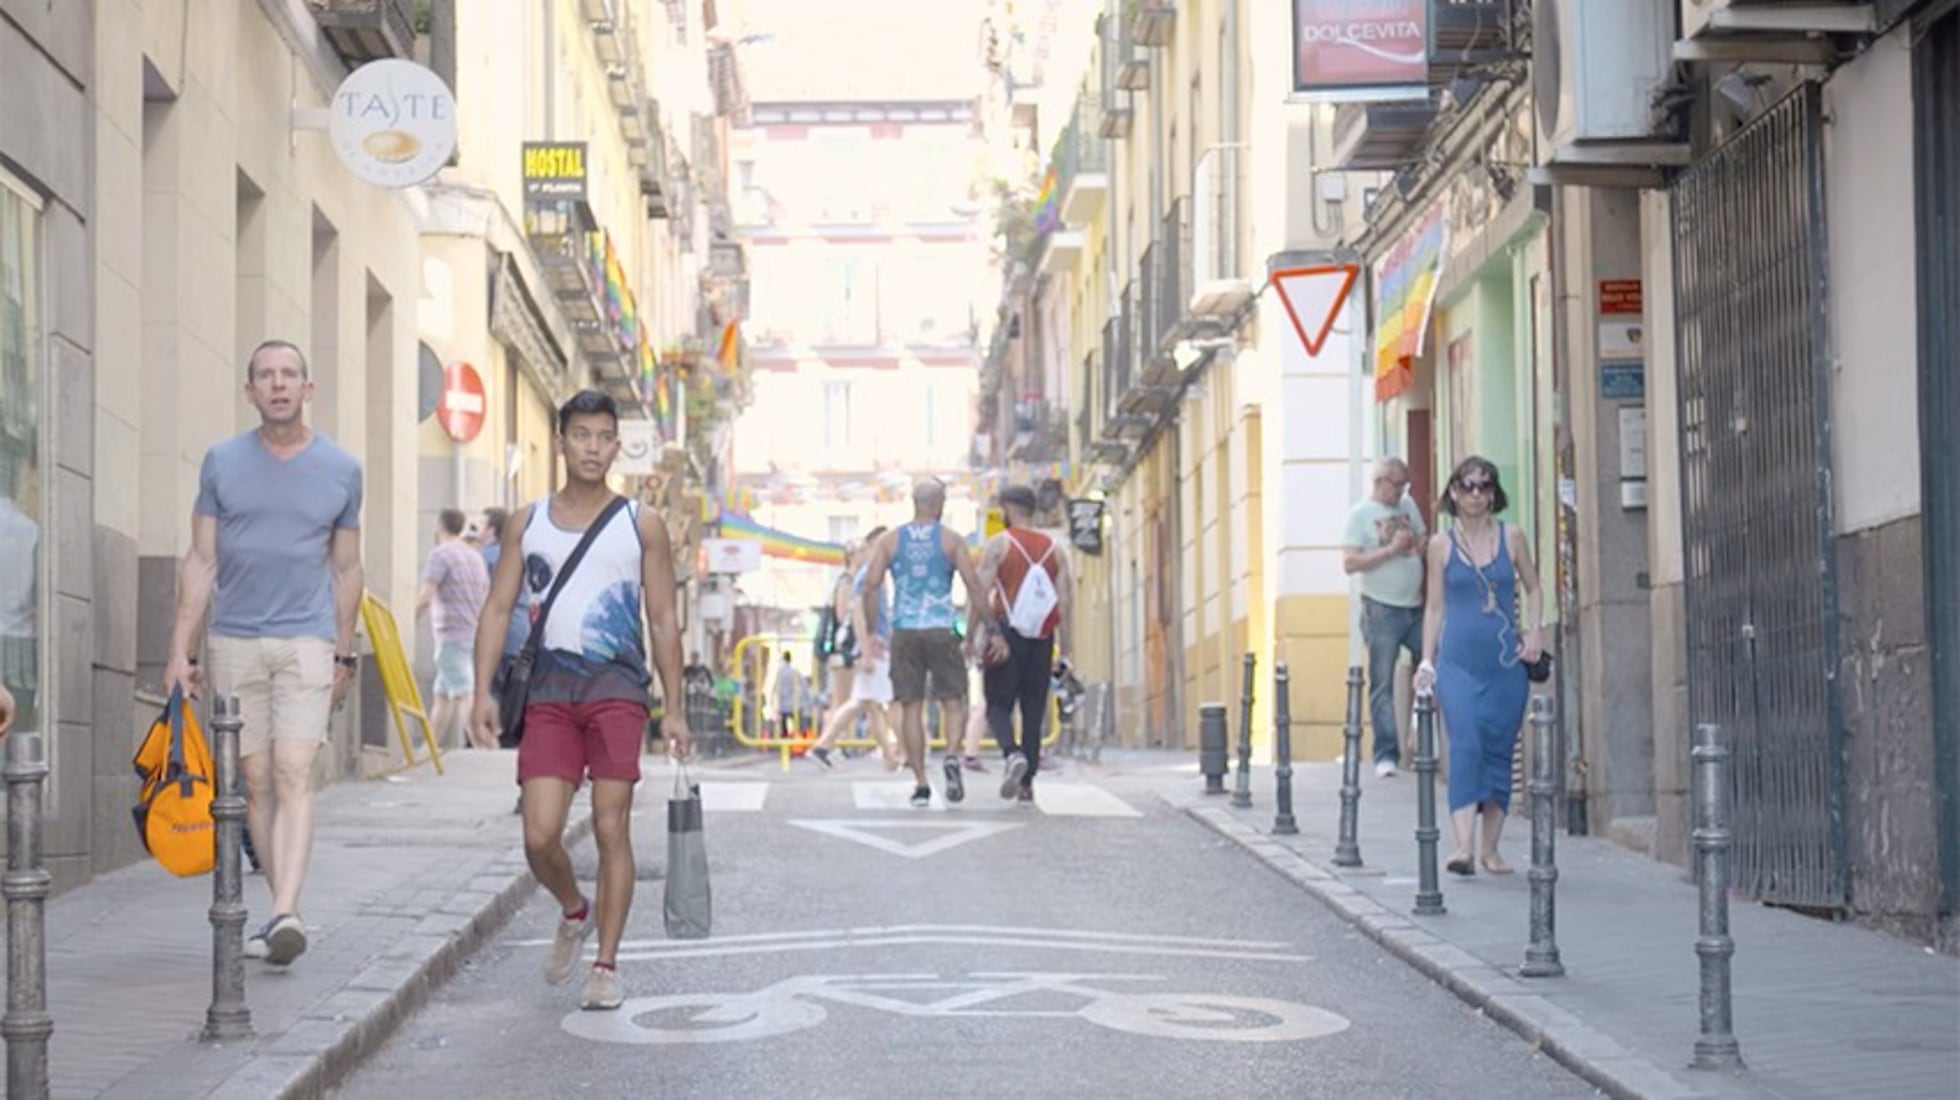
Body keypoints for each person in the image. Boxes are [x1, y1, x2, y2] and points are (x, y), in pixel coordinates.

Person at [470, 389, 691, 1012]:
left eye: (603, 437)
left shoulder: (639, 524)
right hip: (549, 692)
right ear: (562, 441)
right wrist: (483, 690)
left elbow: (665, 619)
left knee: (609, 824)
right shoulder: (528, 521)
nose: (593, 448)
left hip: (618, 689)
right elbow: (498, 607)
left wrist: (673, 706)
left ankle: (606, 963)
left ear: (617, 446)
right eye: (581, 436)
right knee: (540, 835)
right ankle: (574, 910)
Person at [162, 339, 364, 968]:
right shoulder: (222, 462)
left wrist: (344, 653)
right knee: (254, 780)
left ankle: (285, 911)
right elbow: (201, 560)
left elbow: (349, 568)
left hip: (307, 641)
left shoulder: (341, 469)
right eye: (265, 376)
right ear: (249, 390)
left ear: (308, 389)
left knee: (292, 771)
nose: (277, 385)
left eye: (289, 375)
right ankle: (283, 910)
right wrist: (178, 650)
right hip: (233, 639)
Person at [1413, 456, 1544, 877]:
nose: (1476, 494)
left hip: (1505, 664)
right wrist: (1426, 661)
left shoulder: (1513, 537)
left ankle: (1491, 849)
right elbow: (1434, 607)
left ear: (1494, 493)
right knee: (1465, 742)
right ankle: (1463, 847)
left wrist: (1535, 633)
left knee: (1498, 749)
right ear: (1453, 492)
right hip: (1457, 663)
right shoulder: (1440, 545)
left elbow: (1535, 586)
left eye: (1484, 487)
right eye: (1468, 486)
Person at [860, 478, 989, 807]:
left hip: (905, 630)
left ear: (914, 503)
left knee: (911, 706)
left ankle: (920, 782)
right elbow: (974, 586)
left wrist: (874, 631)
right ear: (941, 503)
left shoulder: (890, 541)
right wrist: (983, 629)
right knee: (953, 700)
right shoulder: (951, 540)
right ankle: (950, 756)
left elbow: (871, 586)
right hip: (941, 627)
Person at [975, 484, 1071, 802]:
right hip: (1042, 637)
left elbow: (980, 592)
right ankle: (1027, 784)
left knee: (997, 704)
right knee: (1033, 709)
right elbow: (1065, 602)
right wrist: (1066, 651)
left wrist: (977, 634)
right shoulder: (1055, 550)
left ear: (1008, 508)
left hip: (1006, 633)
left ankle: (1011, 754)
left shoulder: (999, 545)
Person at [1343, 457, 1428, 778]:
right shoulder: (1360, 515)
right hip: (1380, 607)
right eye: (1397, 485)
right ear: (1380, 482)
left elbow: (1421, 539)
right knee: (1382, 681)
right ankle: (1386, 753)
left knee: (1432, 666)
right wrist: (1390, 551)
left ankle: (1422, 737)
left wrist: (1417, 546)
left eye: (1405, 484)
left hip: (1415, 605)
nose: (1402, 491)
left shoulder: (1408, 506)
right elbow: (1350, 562)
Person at [810, 527, 896, 769]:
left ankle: (888, 755)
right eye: (858, 550)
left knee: (868, 702)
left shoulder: (869, 575)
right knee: (855, 701)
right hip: (857, 646)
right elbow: (851, 614)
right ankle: (825, 745)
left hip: (863, 645)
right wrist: (865, 648)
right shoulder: (856, 579)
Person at [416, 508, 491, 748]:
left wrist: (408, 623)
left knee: (462, 693)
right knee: (442, 696)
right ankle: (429, 749)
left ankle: (486, 745)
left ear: (439, 527)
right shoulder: (474, 557)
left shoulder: (441, 555)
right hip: (473, 633)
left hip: (451, 635)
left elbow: (426, 595)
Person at [772, 650, 806, 739]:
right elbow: (803, 684)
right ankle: (797, 739)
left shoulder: (780, 672)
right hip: (793, 702)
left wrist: (772, 699)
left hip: (783, 702)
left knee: (784, 722)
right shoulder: (794, 671)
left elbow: (775, 686)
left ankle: (785, 739)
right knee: (796, 721)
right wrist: (804, 697)